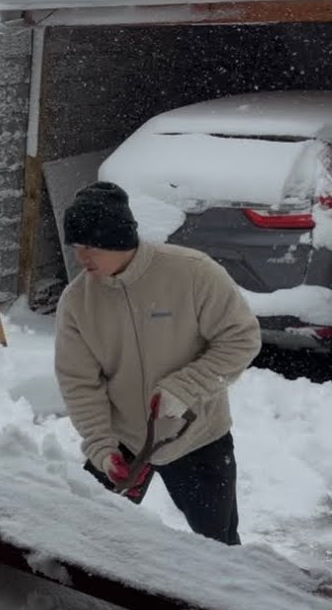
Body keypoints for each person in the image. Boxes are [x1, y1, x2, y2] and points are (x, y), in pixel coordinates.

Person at [54, 181, 261, 545]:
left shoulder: (193, 273)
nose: (80, 258)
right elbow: (79, 382)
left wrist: (184, 388)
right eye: (76, 247)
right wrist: (102, 448)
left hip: (197, 437)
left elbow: (241, 339)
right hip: (125, 439)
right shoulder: (77, 302)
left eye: (90, 247)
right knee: (88, 534)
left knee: (219, 547)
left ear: (118, 240)